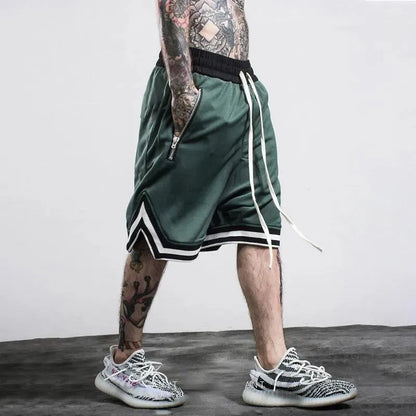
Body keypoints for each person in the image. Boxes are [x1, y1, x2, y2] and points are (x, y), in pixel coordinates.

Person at [94, 0, 357, 409]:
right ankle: (123, 360)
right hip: (195, 82)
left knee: (259, 223)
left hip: (243, 88)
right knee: (159, 219)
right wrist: (183, 91)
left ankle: (273, 368)